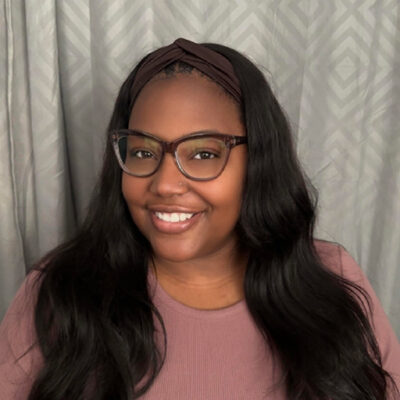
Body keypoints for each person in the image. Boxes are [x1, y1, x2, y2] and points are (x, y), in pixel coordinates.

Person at [0, 38, 399, 400]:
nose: (165, 183)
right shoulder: (60, 293)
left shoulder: (332, 278)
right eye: (142, 152)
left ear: (258, 160)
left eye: (204, 153)